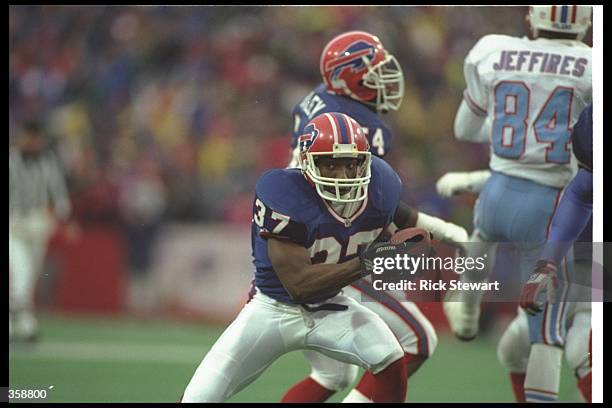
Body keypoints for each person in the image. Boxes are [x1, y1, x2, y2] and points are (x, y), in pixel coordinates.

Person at [181, 112, 421, 403]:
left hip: (331, 306)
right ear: (307, 163)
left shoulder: (381, 186)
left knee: (390, 358)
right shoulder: (283, 193)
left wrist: (399, 249)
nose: (342, 175)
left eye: (350, 163)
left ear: (364, 162)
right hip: (274, 309)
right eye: (330, 164)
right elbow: (300, 285)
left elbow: (387, 232)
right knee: (199, 398)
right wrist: (370, 261)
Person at [283, 31, 468, 403]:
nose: (385, 80)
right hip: (333, 248)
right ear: (349, 77)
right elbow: (370, 204)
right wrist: (439, 228)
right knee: (418, 339)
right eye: (374, 73)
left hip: (297, 240)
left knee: (332, 374)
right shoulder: (362, 124)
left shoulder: (316, 99)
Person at [442, 5, 592, 402]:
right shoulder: (592, 65)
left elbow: (464, 128)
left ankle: (468, 311)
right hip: (554, 206)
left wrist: (519, 132)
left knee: (481, 238)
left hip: (498, 193)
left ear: (532, 18)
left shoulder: (493, 49)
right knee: (547, 335)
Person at [517, 103, 593, 402]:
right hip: (588, 256)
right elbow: (582, 192)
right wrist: (547, 263)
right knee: (581, 344)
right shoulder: (591, 130)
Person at [9, 120, 73, 342]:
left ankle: (18, 324)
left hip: (38, 227)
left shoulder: (47, 162)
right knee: (22, 273)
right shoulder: (11, 160)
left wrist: (65, 217)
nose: (33, 142)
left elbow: (58, 193)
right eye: (30, 137)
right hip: (14, 227)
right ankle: (26, 324)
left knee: (31, 275)